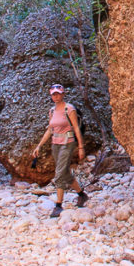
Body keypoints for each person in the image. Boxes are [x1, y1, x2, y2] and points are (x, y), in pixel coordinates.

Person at [32, 83, 88, 217]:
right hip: (55, 144)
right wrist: (39, 146)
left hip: (68, 143)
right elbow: (50, 130)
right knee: (65, 172)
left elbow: (75, 128)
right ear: (51, 96)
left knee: (59, 173)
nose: (56, 96)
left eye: (58, 93)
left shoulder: (69, 109)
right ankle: (82, 194)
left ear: (63, 94)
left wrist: (81, 147)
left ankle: (58, 205)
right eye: (53, 94)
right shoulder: (52, 111)